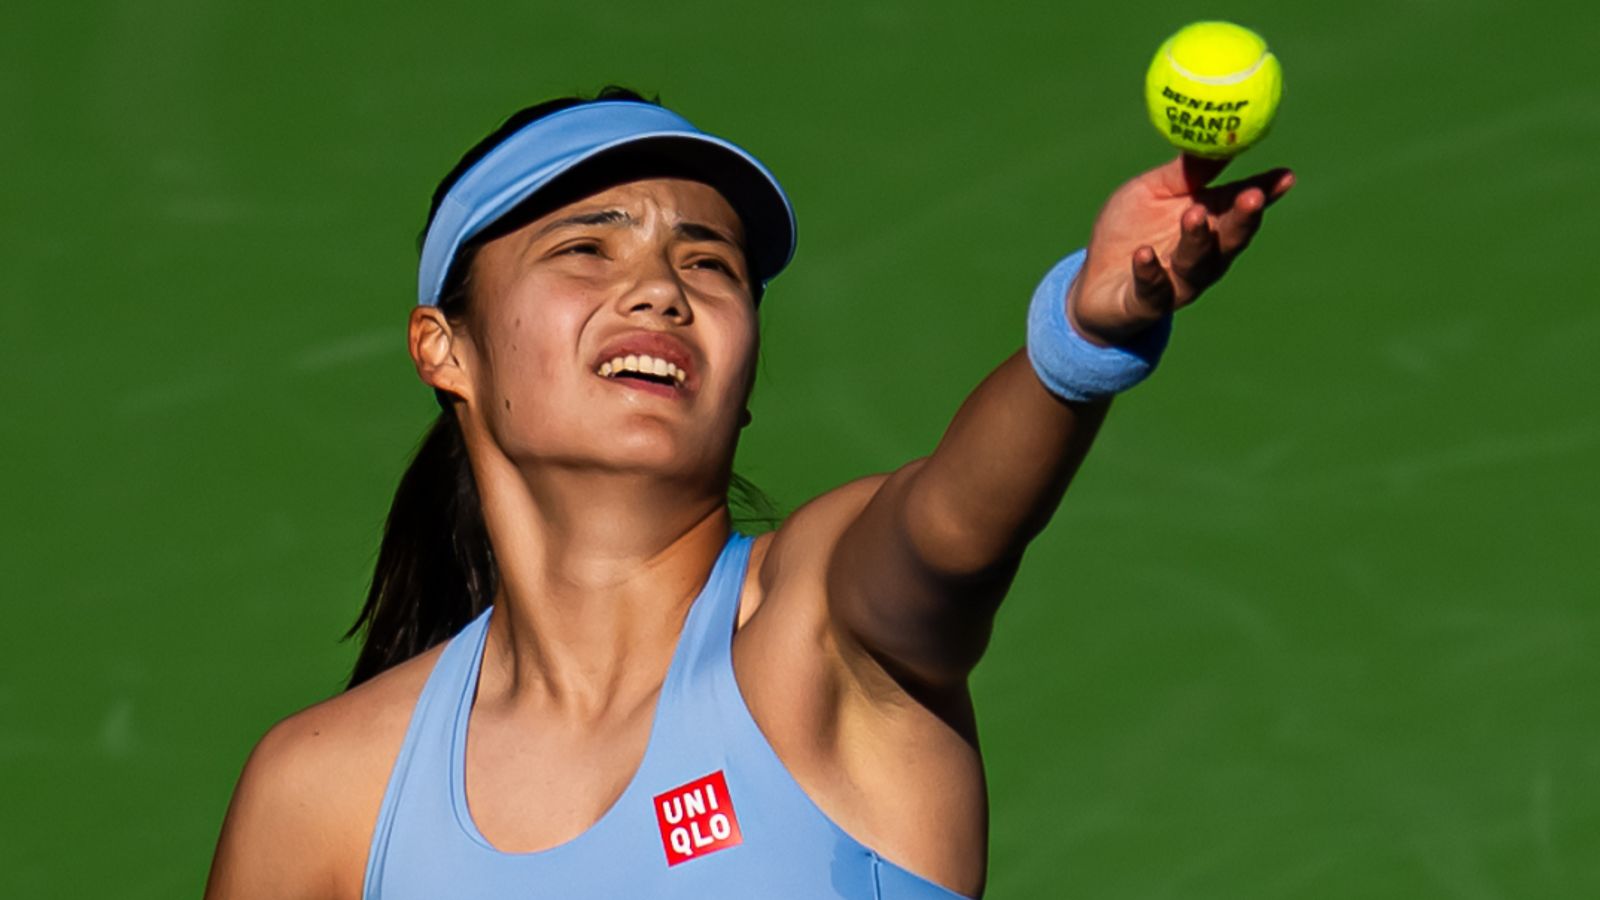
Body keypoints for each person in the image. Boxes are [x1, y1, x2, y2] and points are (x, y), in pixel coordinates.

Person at [204, 87, 1293, 899]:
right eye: (585, 248)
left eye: (709, 265)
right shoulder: (323, 792)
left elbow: (952, 526)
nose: (659, 291)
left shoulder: (819, 636)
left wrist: (1081, 343)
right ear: (444, 348)